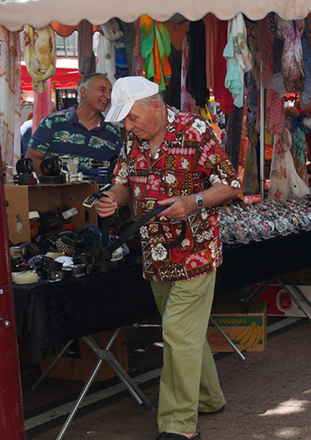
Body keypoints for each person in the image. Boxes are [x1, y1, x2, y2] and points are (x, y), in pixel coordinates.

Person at [95, 76, 241, 440]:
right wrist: (113, 197)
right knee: (185, 333)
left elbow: (232, 185)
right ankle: (208, 397)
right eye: (124, 121)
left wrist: (193, 202)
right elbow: (125, 182)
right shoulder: (132, 138)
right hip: (155, 252)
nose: (127, 127)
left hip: (196, 250)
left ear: (156, 107)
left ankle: (179, 425)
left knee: (176, 332)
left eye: (131, 118)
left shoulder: (196, 132)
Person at [27, 73, 122, 173]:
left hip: (98, 189)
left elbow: (117, 171)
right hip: (55, 188)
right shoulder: (53, 122)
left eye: (110, 92)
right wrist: (53, 180)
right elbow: (33, 158)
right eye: (102, 90)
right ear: (83, 92)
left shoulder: (113, 134)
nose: (108, 96)